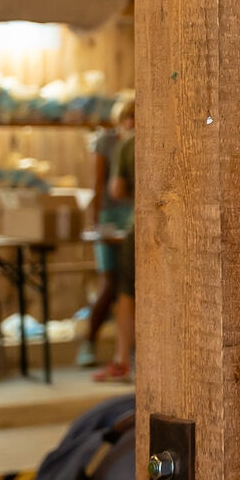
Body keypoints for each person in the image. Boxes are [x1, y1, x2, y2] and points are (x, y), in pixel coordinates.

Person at [77, 95, 135, 368]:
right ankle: (89, 342)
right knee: (110, 284)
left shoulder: (138, 142)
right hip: (109, 217)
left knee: (131, 287)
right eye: (129, 116)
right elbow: (98, 184)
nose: (132, 122)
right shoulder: (109, 143)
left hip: (134, 217)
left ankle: (126, 353)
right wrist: (96, 222)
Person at [95, 102, 137, 384]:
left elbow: (117, 190)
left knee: (127, 295)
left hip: (141, 226)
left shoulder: (128, 145)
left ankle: (122, 361)